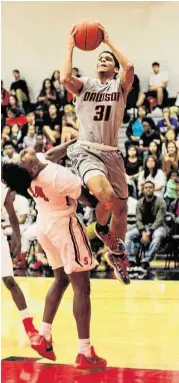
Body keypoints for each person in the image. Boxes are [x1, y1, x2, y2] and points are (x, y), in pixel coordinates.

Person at [2, 143, 106, 369]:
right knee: (82, 288)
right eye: (24, 157)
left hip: (44, 224)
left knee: (60, 280)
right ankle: (84, 351)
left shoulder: (33, 170)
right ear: (31, 170)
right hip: (64, 226)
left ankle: (44, 336)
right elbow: (90, 201)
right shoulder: (59, 177)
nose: (24, 152)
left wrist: (75, 141)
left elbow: (49, 154)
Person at [61, 22, 134, 284]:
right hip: (87, 149)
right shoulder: (85, 85)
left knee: (120, 209)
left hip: (112, 152)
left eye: (107, 60)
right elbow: (64, 78)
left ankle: (117, 254)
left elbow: (131, 68)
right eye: (100, 59)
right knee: (106, 196)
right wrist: (71, 46)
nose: (103, 60)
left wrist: (107, 41)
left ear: (114, 68)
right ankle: (101, 229)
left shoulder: (119, 87)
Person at [1, 181, 37, 343]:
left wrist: (17, 239)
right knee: (10, 282)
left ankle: (28, 325)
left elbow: (13, 216)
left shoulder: (3, 189)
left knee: (10, 281)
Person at [125, 180, 167, 270]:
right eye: (146, 188)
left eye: (150, 187)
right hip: (143, 227)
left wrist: (149, 233)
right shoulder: (139, 203)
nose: (148, 189)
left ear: (154, 189)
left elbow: (159, 219)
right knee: (128, 235)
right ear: (143, 190)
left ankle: (146, 260)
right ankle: (131, 260)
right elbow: (138, 220)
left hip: (158, 227)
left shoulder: (161, 202)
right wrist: (143, 232)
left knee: (158, 236)